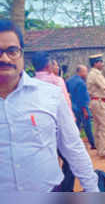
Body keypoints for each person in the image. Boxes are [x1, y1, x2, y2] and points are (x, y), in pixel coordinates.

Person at [0, 19, 99, 192]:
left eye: (12, 51)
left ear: (21, 54)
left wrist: (92, 189)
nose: (4, 58)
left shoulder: (50, 95)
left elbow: (72, 146)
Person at [32, 51, 77, 191]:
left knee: (49, 162)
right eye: (56, 64)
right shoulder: (56, 81)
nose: (57, 67)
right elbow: (64, 106)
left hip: (40, 130)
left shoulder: (31, 82)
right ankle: (66, 190)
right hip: (60, 128)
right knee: (71, 161)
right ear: (49, 66)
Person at [66, 65, 96, 150]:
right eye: (85, 71)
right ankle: (93, 143)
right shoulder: (81, 83)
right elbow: (82, 98)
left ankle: (74, 143)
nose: (86, 74)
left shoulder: (70, 81)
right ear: (80, 72)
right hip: (82, 107)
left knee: (76, 126)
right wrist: (85, 110)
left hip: (73, 106)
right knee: (87, 126)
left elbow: (67, 93)